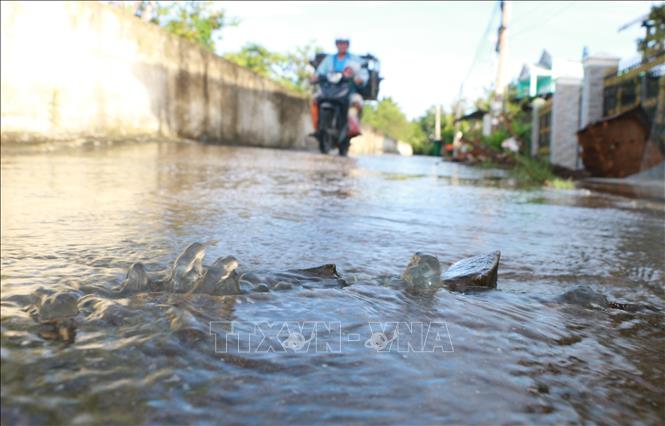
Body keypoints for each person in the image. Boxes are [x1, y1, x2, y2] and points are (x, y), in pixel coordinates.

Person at [310, 38, 368, 137]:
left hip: (348, 91)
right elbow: (319, 72)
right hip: (329, 90)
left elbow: (363, 74)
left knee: (356, 102)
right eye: (340, 43)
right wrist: (314, 77)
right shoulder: (329, 60)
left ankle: (352, 128)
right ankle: (316, 128)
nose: (342, 46)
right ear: (336, 45)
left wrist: (360, 79)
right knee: (314, 99)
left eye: (344, 43)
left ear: (348, 45)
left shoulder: (355, 59)